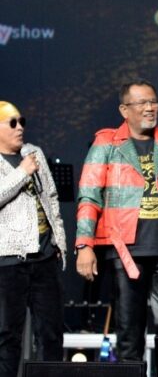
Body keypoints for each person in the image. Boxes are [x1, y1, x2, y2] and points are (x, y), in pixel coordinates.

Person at [75, 79, 158, 362]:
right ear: (124, 110)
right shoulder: (107, 143)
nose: (150, 108)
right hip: (125, 248)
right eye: (142, 103)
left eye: (153, 101)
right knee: (128, 332)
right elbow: (89, 196)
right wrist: (84, 245)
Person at [0, 102, 67, 377]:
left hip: (44, 258)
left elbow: (51, 196)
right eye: (12, 123)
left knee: (51, 334)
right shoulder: (23, 163)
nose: (20, 128)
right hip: (8, 261)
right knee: (7, 336)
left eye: (22, 121)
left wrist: (59, 241)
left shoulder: (33, 152)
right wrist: (22, 172)